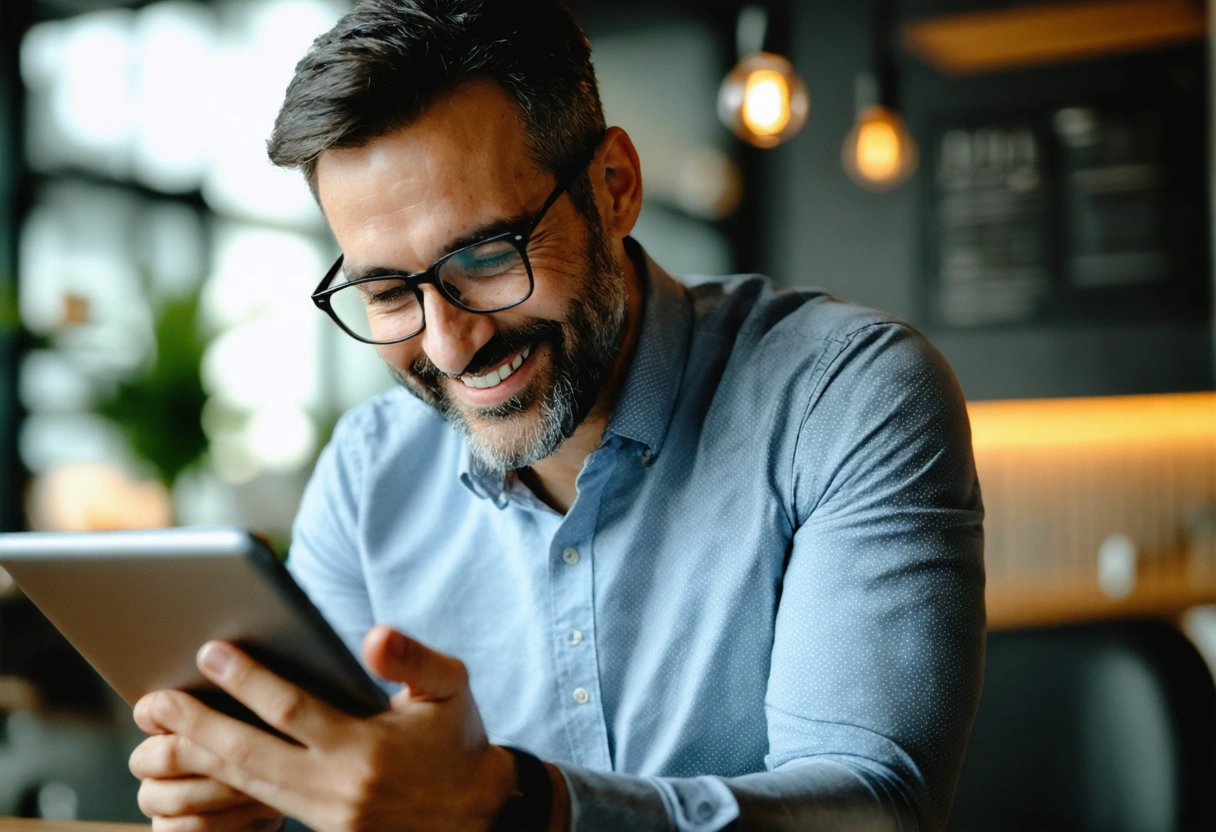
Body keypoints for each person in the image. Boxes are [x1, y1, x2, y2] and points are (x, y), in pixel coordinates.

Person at [127, 1, 985, 830]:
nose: (452, 343)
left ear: (613, 188)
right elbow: (335, 788)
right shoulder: (365, 473)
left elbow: (877, 808)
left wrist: (515, 807)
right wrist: (249, 806)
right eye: (389, 292)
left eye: (489, 254)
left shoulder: (848, 396)